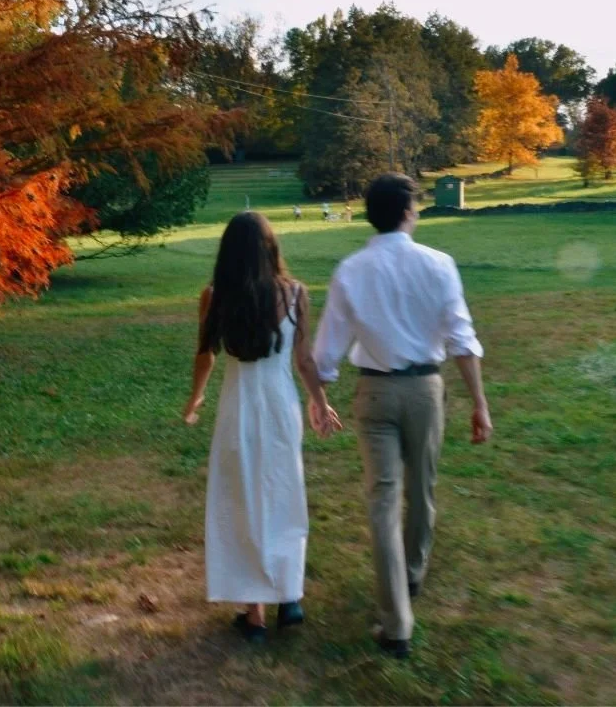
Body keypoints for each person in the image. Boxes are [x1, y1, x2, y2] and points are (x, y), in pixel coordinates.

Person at [313, 173, 492, 660]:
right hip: (425, 391)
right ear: (409, 212)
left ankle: (396, 622)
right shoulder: (439, 264)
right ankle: (410, 578)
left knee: (383, 502)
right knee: (422, 491)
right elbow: (461, 338)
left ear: (371, 215)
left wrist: (318, 396)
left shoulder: (351, 269)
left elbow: (326, 349)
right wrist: (479, 403)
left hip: (374, 393)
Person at [183, 212, 343, 645]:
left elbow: (206, 355)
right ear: (271, 248)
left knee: (241, 499)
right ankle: (289, 596)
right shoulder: (295, 293)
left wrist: (195, 398)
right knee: (283, 493)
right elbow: (304, 359)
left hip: (238, 406)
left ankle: (254, 614)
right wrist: (319, 400)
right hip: (279, 404)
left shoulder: (215, 296)